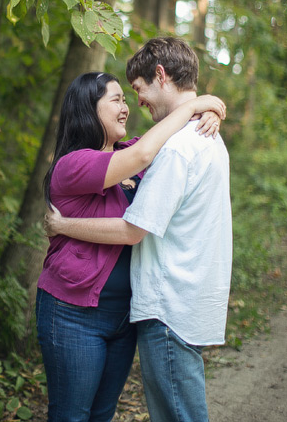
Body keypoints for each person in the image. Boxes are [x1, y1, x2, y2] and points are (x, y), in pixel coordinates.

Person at [44, 37, 232, 422]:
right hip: (76, 311)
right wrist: (196, 105)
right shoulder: (77, 163)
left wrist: (206, 108)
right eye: (117, 98)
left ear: (160, 75)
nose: (131, 104)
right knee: (72, 415)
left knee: (103, 414)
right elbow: (146, 153)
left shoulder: (152, 151)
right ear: (88, 109)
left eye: (131, 93)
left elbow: (153, 148)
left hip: (127, 314)